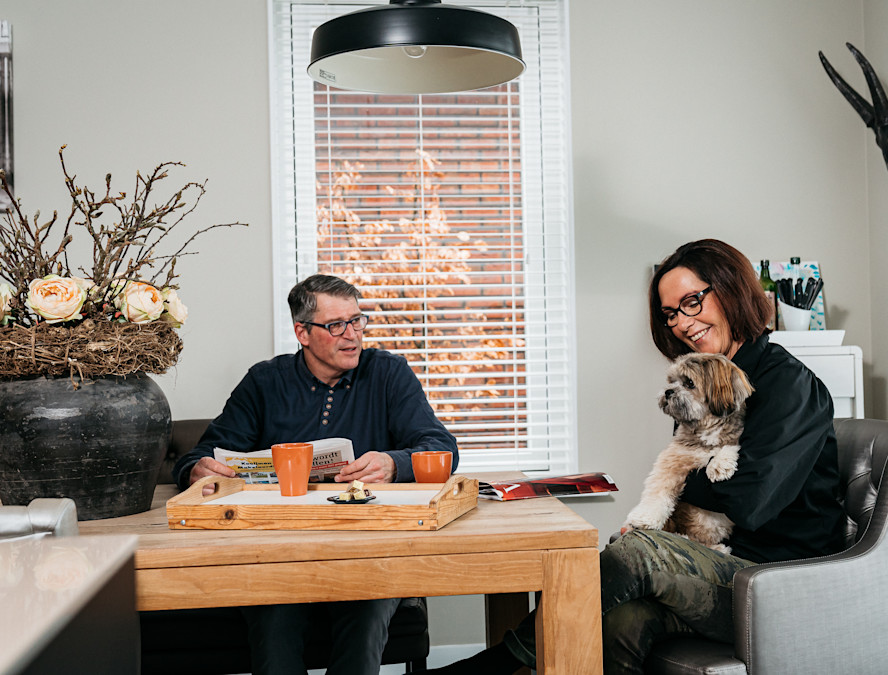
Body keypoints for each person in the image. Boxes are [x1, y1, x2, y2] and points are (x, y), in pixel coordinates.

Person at [416, 238, 845, 675]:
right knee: (619, 618)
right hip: (715, 560)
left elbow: (748, 501)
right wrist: (667, 509)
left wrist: (672, 491)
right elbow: (693, 478)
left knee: (635, 552)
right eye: (671, 313)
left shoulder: (789, 385)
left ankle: (494, 665)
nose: (682, 322)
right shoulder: (699, 382)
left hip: (775, 579)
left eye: (692, 301)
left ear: (731, 288)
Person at [172, 273, 458, 675]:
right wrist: (195, 470)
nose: (352, 335)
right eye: (336, 325)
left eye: (357, 321)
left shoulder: (388, 373)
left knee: (365, 618)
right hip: (277, 554)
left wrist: (395, 463)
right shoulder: (264, 381)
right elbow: (199, 456)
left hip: (368, 552)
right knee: (274, 627)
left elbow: (441, 447)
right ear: (302, 332)